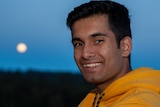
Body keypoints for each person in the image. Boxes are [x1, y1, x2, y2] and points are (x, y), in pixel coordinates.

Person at [66, 0, 160, 107]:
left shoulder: (139, 102)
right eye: (79, 44)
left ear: (125, 47)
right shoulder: (93, 98)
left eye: (98, 41)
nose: (85, 54)